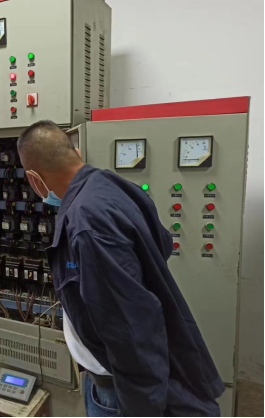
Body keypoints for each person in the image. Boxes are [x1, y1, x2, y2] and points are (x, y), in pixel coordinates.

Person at [17, 121, 224, 417]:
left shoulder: (86, 223)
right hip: (131, 374)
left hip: (118, 390)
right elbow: (162, 244)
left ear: (35, 180)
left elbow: (127, 326)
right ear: (76, 153)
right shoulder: (113, 187)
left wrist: (140, 408)